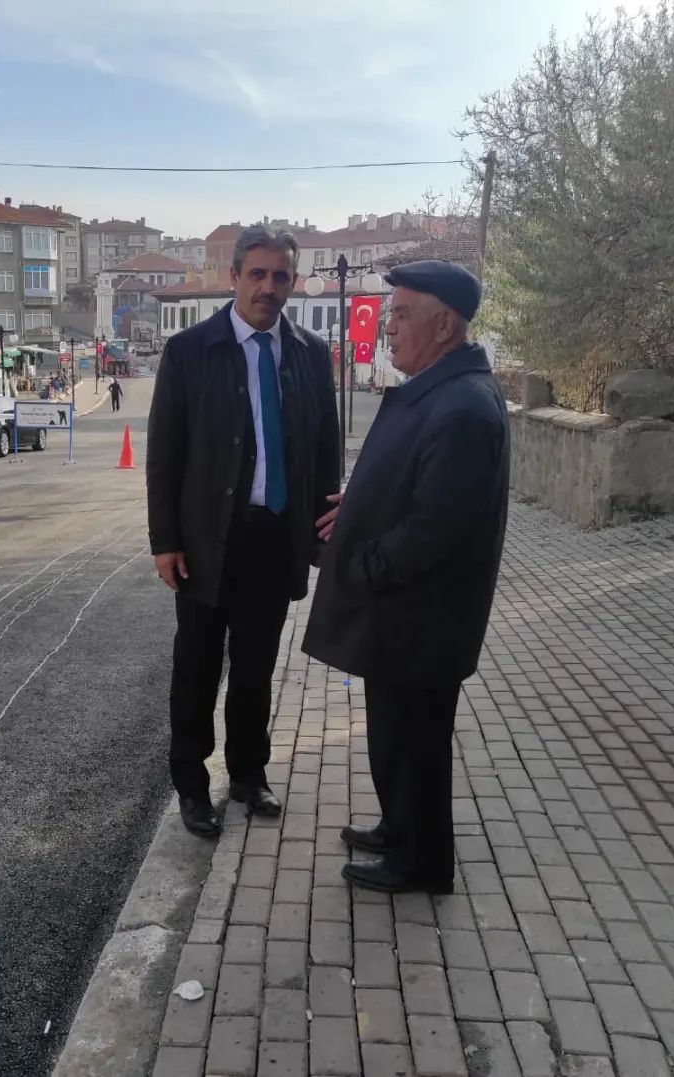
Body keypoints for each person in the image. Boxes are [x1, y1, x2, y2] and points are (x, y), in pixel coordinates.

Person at [302, 260, 509, 895]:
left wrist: (365, 566)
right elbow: (413, 483)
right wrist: (361, 505)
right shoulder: (440, 389)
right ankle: (400, 829)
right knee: (395, 732)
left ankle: (421, 861)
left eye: (399, 314)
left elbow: (432, 526)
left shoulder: (463, 406)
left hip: (423, 616)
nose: (386, 327)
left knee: (417, 740)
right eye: (388, 315)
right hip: (406, 614)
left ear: (444, 325)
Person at [147, 226, 341, 838]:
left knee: (257, 668)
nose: (268, 287)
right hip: (207, 540)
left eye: (280, 276)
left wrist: (321, 533)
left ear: (293, 282)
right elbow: (164, 455)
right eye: (257, 274)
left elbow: (324, 449)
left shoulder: (310, 353)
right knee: (197, 668)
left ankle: (249, 774)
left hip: (275, 538)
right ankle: (191, 785)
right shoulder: (190, 351)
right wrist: (165, 541)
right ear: (234, 277)